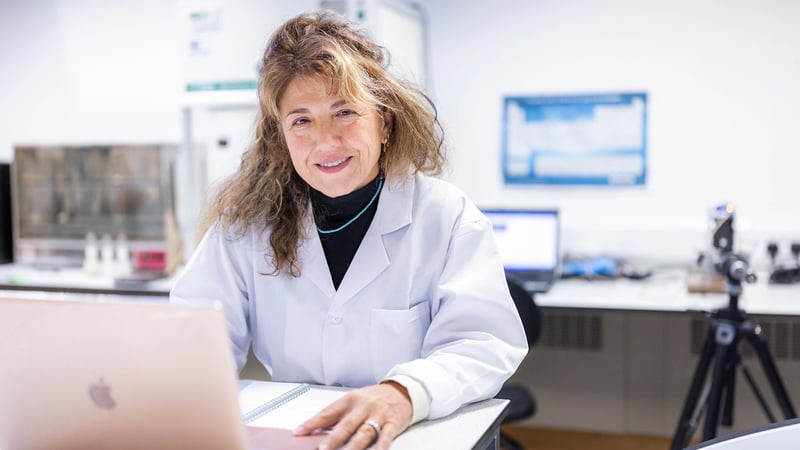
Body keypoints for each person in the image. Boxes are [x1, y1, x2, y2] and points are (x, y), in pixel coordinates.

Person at [170, 10, 527, 450]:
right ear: (281, 136)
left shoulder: (446, 217)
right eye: (302, 120)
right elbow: (195, 338)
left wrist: (404, 393)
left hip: (411, 433)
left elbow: (483, 343)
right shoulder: (247, 224)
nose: (325, 141)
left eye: (344, 112)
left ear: (384, 122)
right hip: (298, 435)